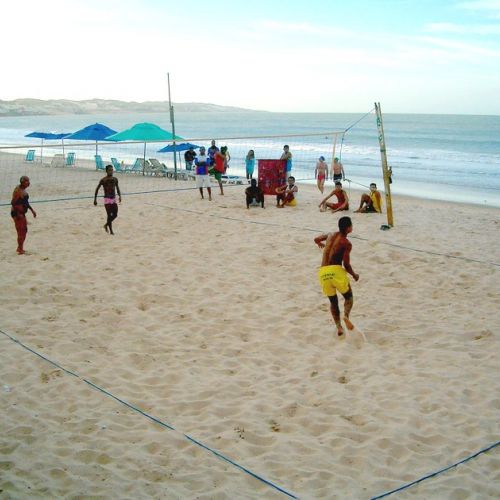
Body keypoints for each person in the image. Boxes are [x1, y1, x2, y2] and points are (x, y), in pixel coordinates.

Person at [314, 216, 359, 336]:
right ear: (349, 228)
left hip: (323, 272)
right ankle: (346, 316)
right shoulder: (347, 243)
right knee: (348, 297)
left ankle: (339, 327)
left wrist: (321, 244)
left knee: (333, 301)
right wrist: (355, 275)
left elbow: (316, 239)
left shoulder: (330, 235)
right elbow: (346, 265)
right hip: (336, 271)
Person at [11, 175, 36, 254]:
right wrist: (18, 214)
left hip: (21, 213)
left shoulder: (23, 190)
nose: (28, 183)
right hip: (17, 213)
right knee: (21, 231)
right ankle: (20, 249)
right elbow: (13, 203)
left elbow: (26, 202)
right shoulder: (18, 191)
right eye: (26, 181)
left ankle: (20, 247)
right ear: (22, 182)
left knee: (24, 230)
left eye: (28, 181)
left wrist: (32, 210)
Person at [94, 164, 122, 235]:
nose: (111, 171)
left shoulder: (115, 179)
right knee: (109, 215)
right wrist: (95, 199)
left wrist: (120, 196)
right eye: (109, 170)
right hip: (107, 199)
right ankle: (111, 231)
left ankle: (106, 225)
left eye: (112, 170)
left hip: (113, 199)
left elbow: (117, 188)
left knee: (115, 215)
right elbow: (97, 189)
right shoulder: (103, 180)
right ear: (106, 171)